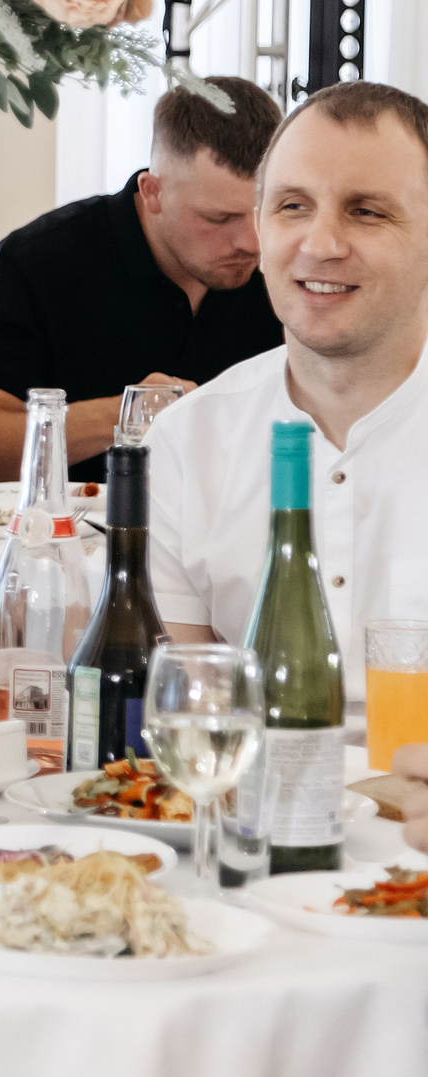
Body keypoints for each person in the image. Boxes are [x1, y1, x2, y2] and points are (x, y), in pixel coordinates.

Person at [148, 82, 428, 660]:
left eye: (367, 211)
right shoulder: (185, 444)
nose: (320, 243)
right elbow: (179, 708)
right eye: (292, 206)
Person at [0, 78, 282, 493]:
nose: (252, 243)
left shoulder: (292, 265)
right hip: (74, 543)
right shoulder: (42, 262)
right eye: (218, 219)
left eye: (267, 212)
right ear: (152, 193)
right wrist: (127, 416)